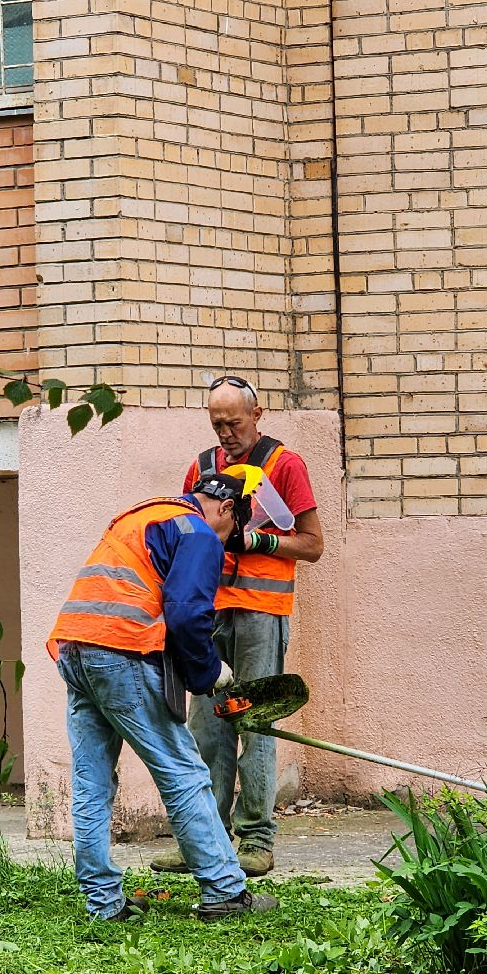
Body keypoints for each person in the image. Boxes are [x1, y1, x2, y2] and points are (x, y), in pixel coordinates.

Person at [48, 469, 279, 922]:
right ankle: (224, 891)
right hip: (118, 649)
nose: (226, 540)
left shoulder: (143, 517)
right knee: (183, 772)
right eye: (232, 532)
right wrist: (210, 673)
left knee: (92, 780)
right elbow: (188, 613)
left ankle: (103, 903)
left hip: (74, 647)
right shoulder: (198, 531)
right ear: (227, 509)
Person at [151, 375, 323, 878]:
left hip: (260, 615)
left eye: (234, 422)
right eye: (216, 423)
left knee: (254, 721)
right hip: (205, 612)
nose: (225, 433)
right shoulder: (201, 469)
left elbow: (312, 545)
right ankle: (205, 841)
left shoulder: (285, 465)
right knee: (207, 727)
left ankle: (257, 841)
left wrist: (259, 542)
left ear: (258, 413)